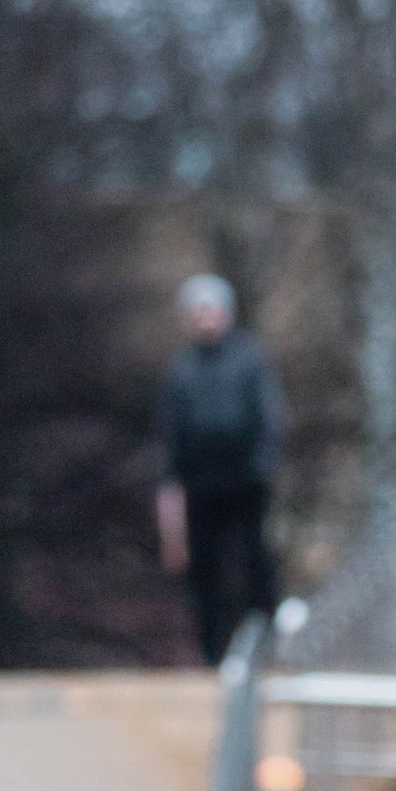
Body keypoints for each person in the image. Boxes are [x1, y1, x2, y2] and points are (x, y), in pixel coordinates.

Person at [155, 272, 287, 663]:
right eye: (198, 312)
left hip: (246, 483)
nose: (205, 319)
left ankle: (264, 645)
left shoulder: (249, 360)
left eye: (211, 310)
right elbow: (170, 435)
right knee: (204, 573)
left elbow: (270, 417)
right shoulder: (181, 370)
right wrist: (170, 491)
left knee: (254, 565)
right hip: (200, 486)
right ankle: (212, 654)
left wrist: (262, 465)